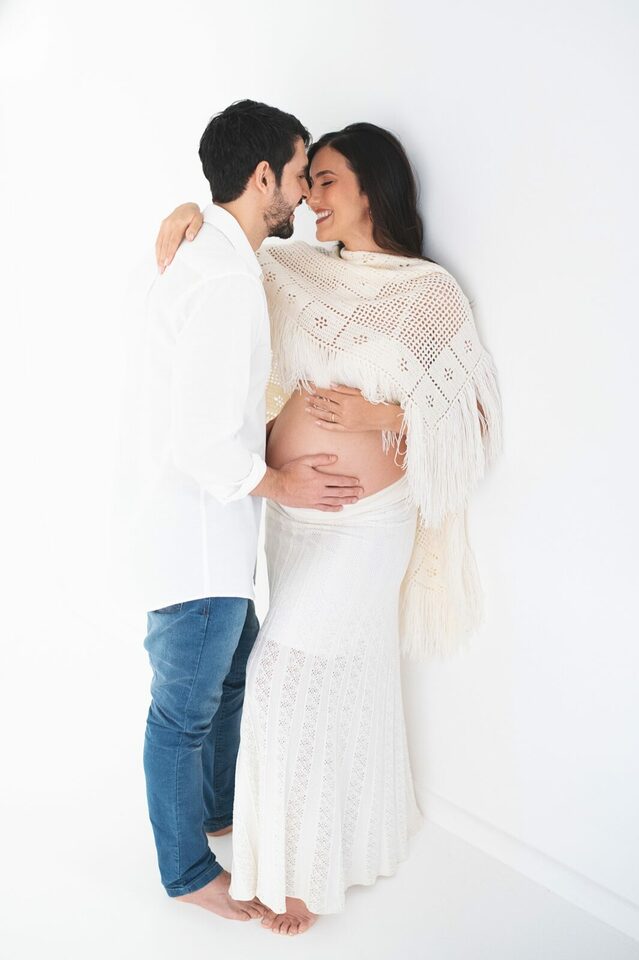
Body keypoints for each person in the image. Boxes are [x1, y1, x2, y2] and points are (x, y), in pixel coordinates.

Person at [154, 121, 502, 935]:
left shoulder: (428, 294)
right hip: (291, 519)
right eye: (305, 180)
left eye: (327, 181)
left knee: (283, 672)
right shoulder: (296, 270)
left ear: (372, 187)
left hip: (364, 527)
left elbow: (475, 420)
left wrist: (387, 413)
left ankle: (299, 871)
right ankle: (344, 838)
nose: (310, 197)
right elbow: (229, 249)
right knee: (334, 677)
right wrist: (186, 211)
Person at [128, 100, 366, 927]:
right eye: (299, 173)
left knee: (231, 678)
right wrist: (283, 484)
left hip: (202, 534)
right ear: (263, 175)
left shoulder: (214, 258)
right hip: (197, 541)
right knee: (183, 712)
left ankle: (218, 811)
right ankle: (187, 870)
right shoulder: (224, 279)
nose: (302, 193)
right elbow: (202, 441)